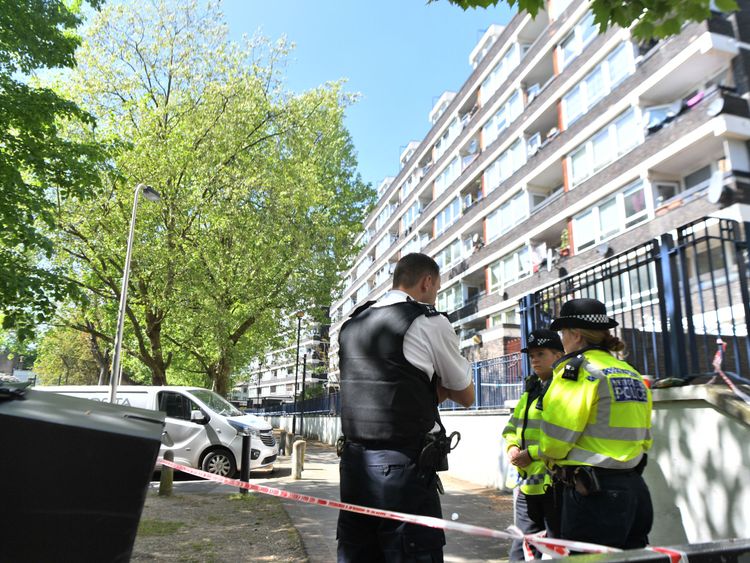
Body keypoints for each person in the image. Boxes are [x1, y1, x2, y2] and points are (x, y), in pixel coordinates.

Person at [336, 252, 475, 563]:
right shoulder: (428, 321)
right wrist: (436, 386)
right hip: (404, 473)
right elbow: (466, 394)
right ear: (427, 282)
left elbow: (386, 392)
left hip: (354, 470)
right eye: (437, 288)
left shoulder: (352, 325)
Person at [539, 298, 653, 550]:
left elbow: (554, 444)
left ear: (577, 336)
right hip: (635, 490)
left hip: (594, 495)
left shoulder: (577, 371)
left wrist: (539, 454)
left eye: (563, 333)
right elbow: (645, 437)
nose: (562, 340)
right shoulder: (629, 371)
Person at [502, 329, 564, 561]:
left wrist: (533, 454)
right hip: (528, 486)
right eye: (531, 355)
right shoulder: (532, 391)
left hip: (554, 485)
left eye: (541, 353)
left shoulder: (563, 388)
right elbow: (511, 428)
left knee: (560, 549)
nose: (534, 359)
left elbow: (565, 436)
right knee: (522, 548)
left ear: (558, 355)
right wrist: (512, 448)